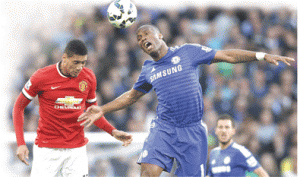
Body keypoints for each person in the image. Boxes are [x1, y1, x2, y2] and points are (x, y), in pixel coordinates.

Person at [78, 24, 294, 176]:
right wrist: (102, 109)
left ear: (160, 35)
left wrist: (261, 55)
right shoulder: (148, 69)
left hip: (193, 132)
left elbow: (227, 56)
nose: (143, 40)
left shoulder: (188, 52)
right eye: (139, 39)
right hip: (164, 128)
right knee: (147, 171)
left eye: (146, 35)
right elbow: (132, 95)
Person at [13, 39, 133, 177]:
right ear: (64, 58)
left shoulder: (88, 77)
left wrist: (113, 131)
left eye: (83, 62)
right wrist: (21, 143)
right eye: (76, 62)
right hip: (47, 149)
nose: (80, 67)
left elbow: (93, 113)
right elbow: (18, 107)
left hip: (76, 150)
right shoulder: (42, 76)